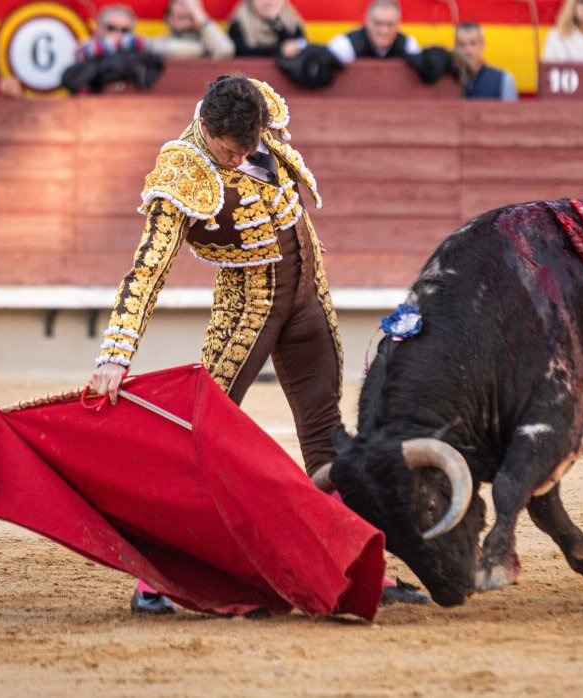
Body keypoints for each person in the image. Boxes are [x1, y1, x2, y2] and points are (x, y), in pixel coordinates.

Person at [89, 75, 426, 613]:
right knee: (202, 441)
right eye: (229, 152)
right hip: (246, 309)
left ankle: (358, 567)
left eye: (250, 148)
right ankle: (156, 580)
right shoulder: (182, 169)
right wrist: (115, 353)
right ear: (205, 128)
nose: (241, 159)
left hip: (306, 299)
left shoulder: (255, 109)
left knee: (328, 438)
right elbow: (149, 267)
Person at [63, 5, 163, 94]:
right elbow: (82, 53)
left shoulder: (140, 48)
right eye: (111, 28)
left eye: (125, 30)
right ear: (99, 28)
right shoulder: (87, 46)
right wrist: (109, 45)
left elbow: (150, 46)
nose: (118, 34)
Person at [327, 0, 419, 64]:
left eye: (390, 24)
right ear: (366, 22)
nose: (384, 31)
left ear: (398, 25)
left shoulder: (408, 46)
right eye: (378, 23)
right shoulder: (345, 45)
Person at [455, 21, 517, 101]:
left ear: (482, 45)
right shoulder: (448, 83)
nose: (468, 51)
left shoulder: (503, 80)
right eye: (461, 45)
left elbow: (511, 113)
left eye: (473, 44)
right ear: (455, 48)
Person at [152, 0, 235, 60]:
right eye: (181, 18)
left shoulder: (209, 44)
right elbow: (163, 49)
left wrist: (201, 17)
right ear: (168, 19)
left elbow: (226, 51)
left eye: (192, 17)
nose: (188, 24)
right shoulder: (160, 43)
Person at [228, 0, 306, 59]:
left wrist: (275, 22)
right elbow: (240, 51)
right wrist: (279, 50)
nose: (268, 2)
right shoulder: (240, 22)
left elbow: (299, 45)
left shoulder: (291, 20)